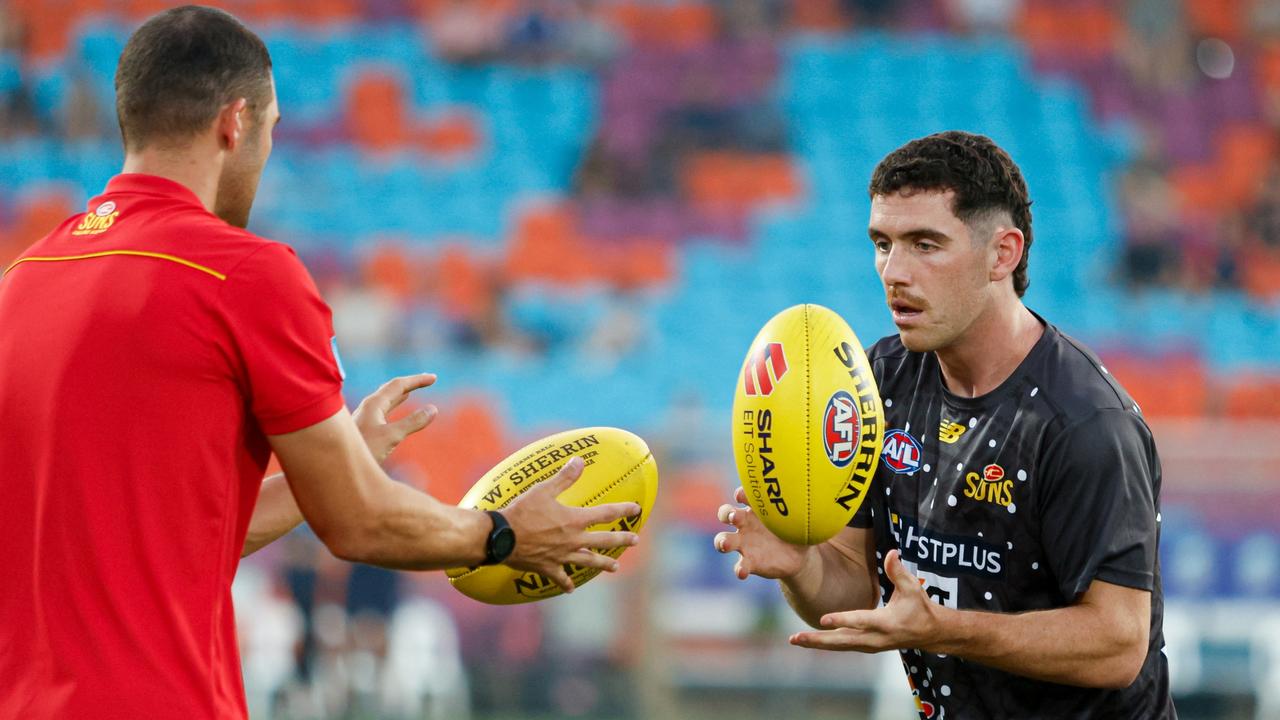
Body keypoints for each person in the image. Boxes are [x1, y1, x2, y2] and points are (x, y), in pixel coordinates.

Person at [0, 6, 639, 718]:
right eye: (271, 130)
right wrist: (502, 533)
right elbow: (359, 523)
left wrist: (330, 466)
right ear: (234, 123)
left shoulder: (25, 277)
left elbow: (169, 539)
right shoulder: (243, 273)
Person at [715, 131, 1175, 718]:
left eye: (925, 245)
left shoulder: (1083, 423)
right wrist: (802, 566)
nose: (893, 272)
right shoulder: (875, 382)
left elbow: (1118, 646)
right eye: (882, 244)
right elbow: (855, 585)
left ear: (1001, 254)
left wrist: (942, 629)